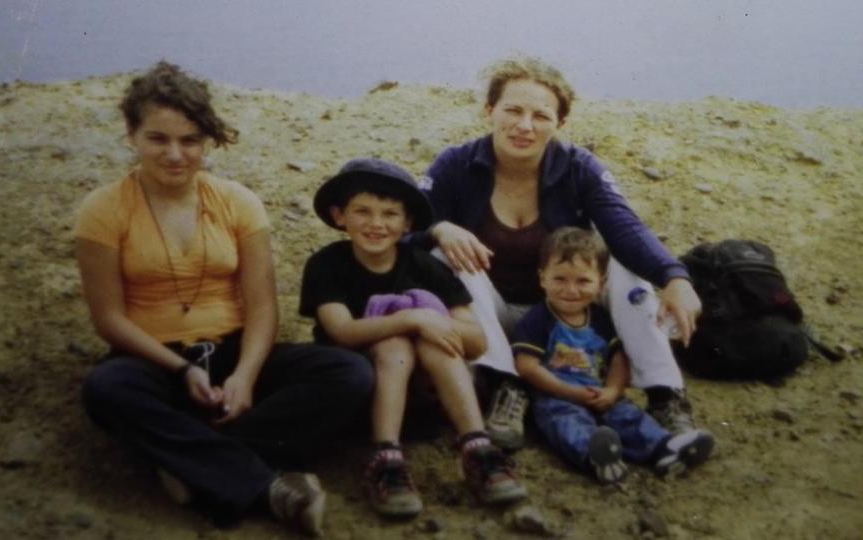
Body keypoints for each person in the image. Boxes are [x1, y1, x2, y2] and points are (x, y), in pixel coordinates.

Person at [75, 61, 373, 536]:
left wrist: (246, 376)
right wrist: (182, 369)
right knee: (106, 390)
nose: (175, 154)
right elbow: (109, 319)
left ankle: (191, 460)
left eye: (190, 140)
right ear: (131, 135)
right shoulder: (102, 210)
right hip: (152, 360)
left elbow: (260, 306)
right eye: (158, 139)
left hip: (233, 349)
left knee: (350, 373)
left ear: (207, 141)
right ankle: (270, 488)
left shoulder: (238, 202)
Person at [418, 56, 705, 449]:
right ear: (489, 110)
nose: (524, 126)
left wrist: (675, 277)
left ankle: (665, 393)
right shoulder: (457, 164)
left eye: (541, 116)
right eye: (513, 110)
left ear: (560, 124)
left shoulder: (578, 167)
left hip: (565, 311)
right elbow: (405, 225)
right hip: (492, 316)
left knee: (623, 268)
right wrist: (438, 226)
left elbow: (624, 227)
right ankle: (508, 387)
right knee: (447, 256)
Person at [299, 158, 527, 518]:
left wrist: (433, 323)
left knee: (438, 338)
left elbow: (476, 341)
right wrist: (412, 317)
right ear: (339, 215)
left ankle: (477, 447)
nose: (376, 224)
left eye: (390, 214)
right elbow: (341, 331)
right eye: (363, 211)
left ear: (407, 224)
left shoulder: (424, 265)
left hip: (428, 398)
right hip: (360, 395)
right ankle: (385, 457)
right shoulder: (327, 265)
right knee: (395, 342)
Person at [513, 227, 713, 482]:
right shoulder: (539, 320)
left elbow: (619, 357)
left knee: (628, 416)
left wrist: (613, 390)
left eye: (583, 281)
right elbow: (527, 366)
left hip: (599, 392)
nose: (571, 290)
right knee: (567, 425)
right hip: (557, 397)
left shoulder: (600, 319)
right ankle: (596, 456)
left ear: (602, 282)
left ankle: (665, 449)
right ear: (542, 278)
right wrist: (569, 392)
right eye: (560, 279)